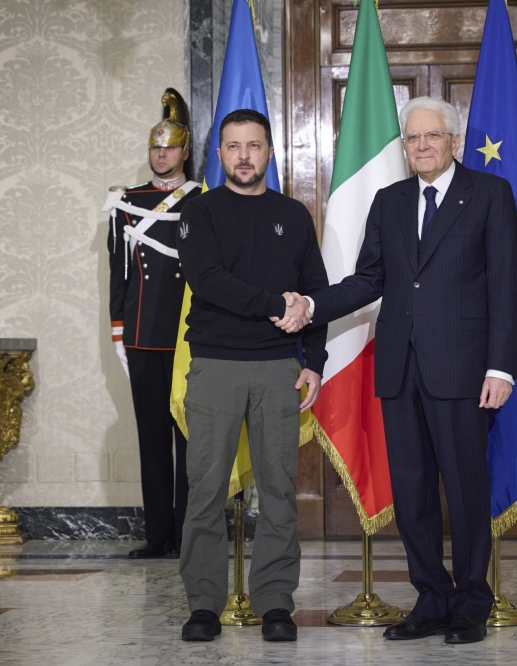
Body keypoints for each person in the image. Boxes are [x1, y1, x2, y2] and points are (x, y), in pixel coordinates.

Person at [278, 96, 517, 644]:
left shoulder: (489, 193)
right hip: (400, 369)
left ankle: (471, 604)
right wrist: (313, 305)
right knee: (412, 496)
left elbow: (506, 285)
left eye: (432, 136)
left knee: (465, 492)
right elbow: (370, 280)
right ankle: (431, 600)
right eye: (413, 138)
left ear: (454, 141)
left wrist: (501, 368)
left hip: (462, 369)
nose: (422, 146)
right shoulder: (389, 201)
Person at [176, 109, 328, 643]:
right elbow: (208, 280)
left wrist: (314, 361)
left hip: (279, 368)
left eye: (254, 145)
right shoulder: (200, 211)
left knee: (280, 492)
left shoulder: (293, 214)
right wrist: (274, 304)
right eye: (234, 146)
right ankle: (203, 605)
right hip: (216, 366)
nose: (244, 156)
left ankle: (276, 602)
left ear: (270, 152)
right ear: (219, 154)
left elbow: (315, 292)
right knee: (205, 491)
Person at [105, 88, 199, 560]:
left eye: (170, 148)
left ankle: (188, 534)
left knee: (191, 440)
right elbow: (118, 272)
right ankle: (158, 534)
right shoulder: (127, 201)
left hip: (188, 337)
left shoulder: (202, 200)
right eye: (155, 148)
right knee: (152, 438)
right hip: (142, 335)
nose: (161, 155)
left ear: (185, 151)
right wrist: (118, 331)